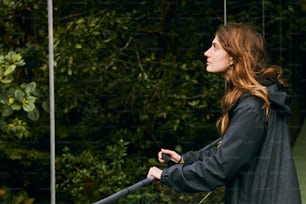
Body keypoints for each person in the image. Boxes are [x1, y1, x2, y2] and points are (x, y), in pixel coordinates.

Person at [147, 22, 302, 204]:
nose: (206, 53)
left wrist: (167, 175)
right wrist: (184, 160)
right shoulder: (261, 98)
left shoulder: (252, 106)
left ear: (233, 58)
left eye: (215, 47)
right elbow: (233, 151)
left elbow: (221, 168)